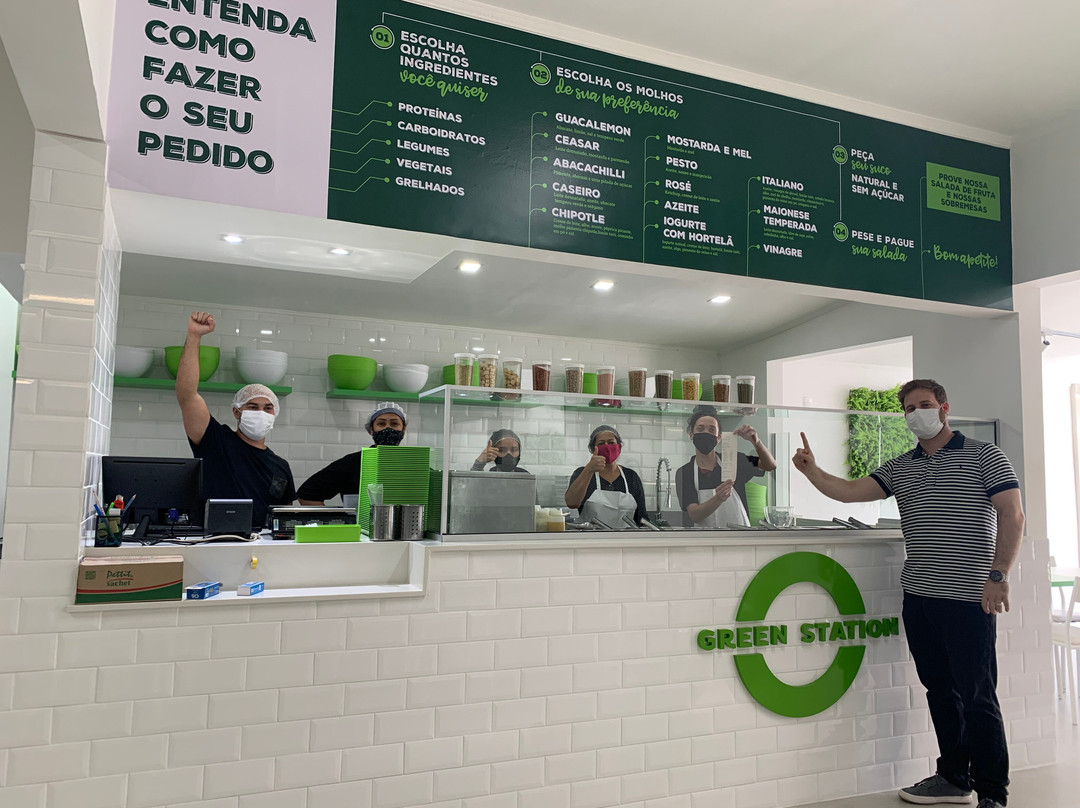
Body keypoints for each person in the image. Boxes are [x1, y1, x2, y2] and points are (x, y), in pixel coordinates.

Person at [791, 379, 1023, 808]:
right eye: (909, 408)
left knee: (977, 697)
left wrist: (999, 575)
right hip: (919, 598)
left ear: (944, 408)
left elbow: (1013, 514)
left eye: (925, 404)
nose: (917, 414)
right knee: (940, 692)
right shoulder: (901, 467)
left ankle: (993, 793)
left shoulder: (984, 455)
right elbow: (851, 492)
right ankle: (953, 778)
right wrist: (812, 471)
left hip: (969, 599)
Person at [177, 311, 296, 528]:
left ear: (274, 414)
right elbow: (187, 396)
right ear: (237, 412)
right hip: (216, 540)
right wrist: (194, 337)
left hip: (262, 545)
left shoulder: (281, 466)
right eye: (252, 407)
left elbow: (285, 520)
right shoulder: (215, 441)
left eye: (267, 408)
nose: (261, 412)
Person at [676, 404, 777, 527]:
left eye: (711, 430)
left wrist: (756, 441)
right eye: (700, 429)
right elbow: (695, 515)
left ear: (718, 438)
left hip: (739, 536)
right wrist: (718, 498)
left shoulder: (735, 461)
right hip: (705, 538)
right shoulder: (685, 472)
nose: (706, 433)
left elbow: (770, 465)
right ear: (691, 435)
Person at [297, 402, 408, 505]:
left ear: (403, 430)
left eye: (394, 424)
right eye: (381, 424)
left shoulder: (412, 464)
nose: (388, 428)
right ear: (371, 430)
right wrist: (336, 519)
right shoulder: (352, 463)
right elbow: (306, 495)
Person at [564, 425, 647, 528]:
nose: (607, 446)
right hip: (590, 537)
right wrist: (589, 469)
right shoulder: (582, 473)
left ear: (619, 447)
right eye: (601, 443)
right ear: (592, 449)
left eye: (611, 442)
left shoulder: (631, 477)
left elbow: (642, 518)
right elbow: (571, 503)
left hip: (625, 537)